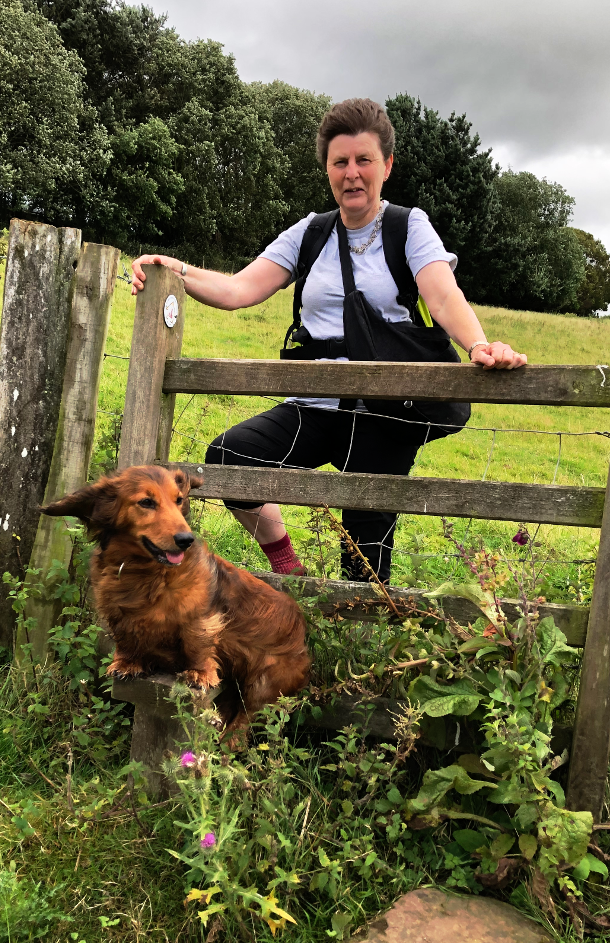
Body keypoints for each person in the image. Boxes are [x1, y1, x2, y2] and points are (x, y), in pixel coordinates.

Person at [131, 98, 527, 583]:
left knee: (363, 556)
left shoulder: (408, 226)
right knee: (229, 461)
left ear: (387, 165)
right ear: (327, 169)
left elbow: (442, 296)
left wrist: (478, 345)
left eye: (364, 160)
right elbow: (239, 290)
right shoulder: (311, 233)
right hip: (313, 407)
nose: (352, 173)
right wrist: (178, 270)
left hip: (385, 412)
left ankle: (359, 637)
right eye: (340, 162)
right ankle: (288, 568)